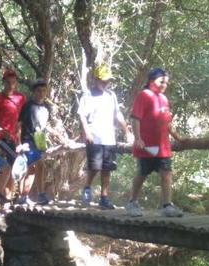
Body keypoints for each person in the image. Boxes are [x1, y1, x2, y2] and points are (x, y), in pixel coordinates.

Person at [126, 68, 186, 218]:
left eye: (166, 82)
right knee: (142, 173)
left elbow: (167, 122)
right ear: (151, 81)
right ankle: (132, 202)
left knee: (166, 173)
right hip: (147, 145)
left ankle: (167, 205)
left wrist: (178, 138)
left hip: (163, 146)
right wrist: (138, 138)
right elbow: (135, 118)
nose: (164, 85)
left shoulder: (164, 99)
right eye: (161, 81)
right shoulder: (144, 95)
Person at [78, 64, 131, 210]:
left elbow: (117, 114)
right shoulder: (87, 95)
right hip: (94, 136)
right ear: (96, 79)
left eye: (108, 81)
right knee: (94, 167)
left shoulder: (111, 95)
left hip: (109, 137)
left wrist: (126, 130)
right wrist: (86, 132)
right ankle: (87, 189)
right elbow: (82, 115)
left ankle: (104, 198)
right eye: (103, 80)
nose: (106, 83)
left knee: (107, 168)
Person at [17, 79, 53, 205]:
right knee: (33, 167)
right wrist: (19, 143)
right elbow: (19, 125)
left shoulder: (46, 108)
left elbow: (43, 126)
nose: (41, 93)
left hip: (40, 141)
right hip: (28, 141)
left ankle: (36, 195)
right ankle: (26, 196)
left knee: (39, 167)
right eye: (38, 91)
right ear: (34, 92)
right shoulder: (28, 106)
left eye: (44, 91)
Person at [0, 69, 26, 197]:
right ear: (3, 82)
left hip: (14, 140)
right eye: (8, 82)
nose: (11, 85)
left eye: (13, 82)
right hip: (0, 139)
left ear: (16, 82)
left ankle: (7, 200)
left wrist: (20, 139)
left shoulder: (21, 98)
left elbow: (22, 119)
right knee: (3, 169)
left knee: (13, 169)